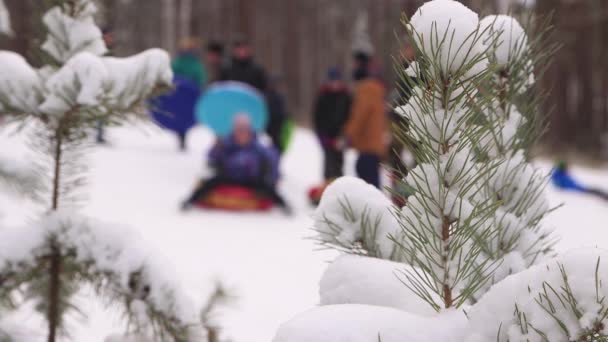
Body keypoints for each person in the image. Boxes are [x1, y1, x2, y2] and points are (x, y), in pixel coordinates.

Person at [182, 114, 290, 213]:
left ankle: (284, 206)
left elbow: (271, 159)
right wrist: (216, 147)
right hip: (229, 176)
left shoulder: (257, 147)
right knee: (209, 184)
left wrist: (273, 176)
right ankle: (189, 202)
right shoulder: (226, 144)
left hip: (250, 179)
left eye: (244, 130)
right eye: (239, 130)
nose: (241, 134)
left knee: (266, 188)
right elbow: (211, 157)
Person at [344, 52, 388, 188]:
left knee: (367, 179)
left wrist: (348, 134)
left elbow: (359, 116)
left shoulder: (366, 91)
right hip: (374, 144)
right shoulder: (376, 90)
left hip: (368, 144)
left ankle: (375, 207)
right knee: (370, 178)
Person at [313, 67, 351, 180]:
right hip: (327, 138)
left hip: (341, 138)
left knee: (339, 167)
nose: (334, 84)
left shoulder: (346, 96)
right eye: (332, 81)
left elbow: (350, 117)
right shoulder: (322, 96)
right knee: (328, 168)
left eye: (336, 81)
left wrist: (345, 137)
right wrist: (322, 137)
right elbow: (317, 118)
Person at [265, 76, 290, 155]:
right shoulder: (265, 97)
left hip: (278, 129)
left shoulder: (280, 97)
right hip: (269, 128)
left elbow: (283, 113)